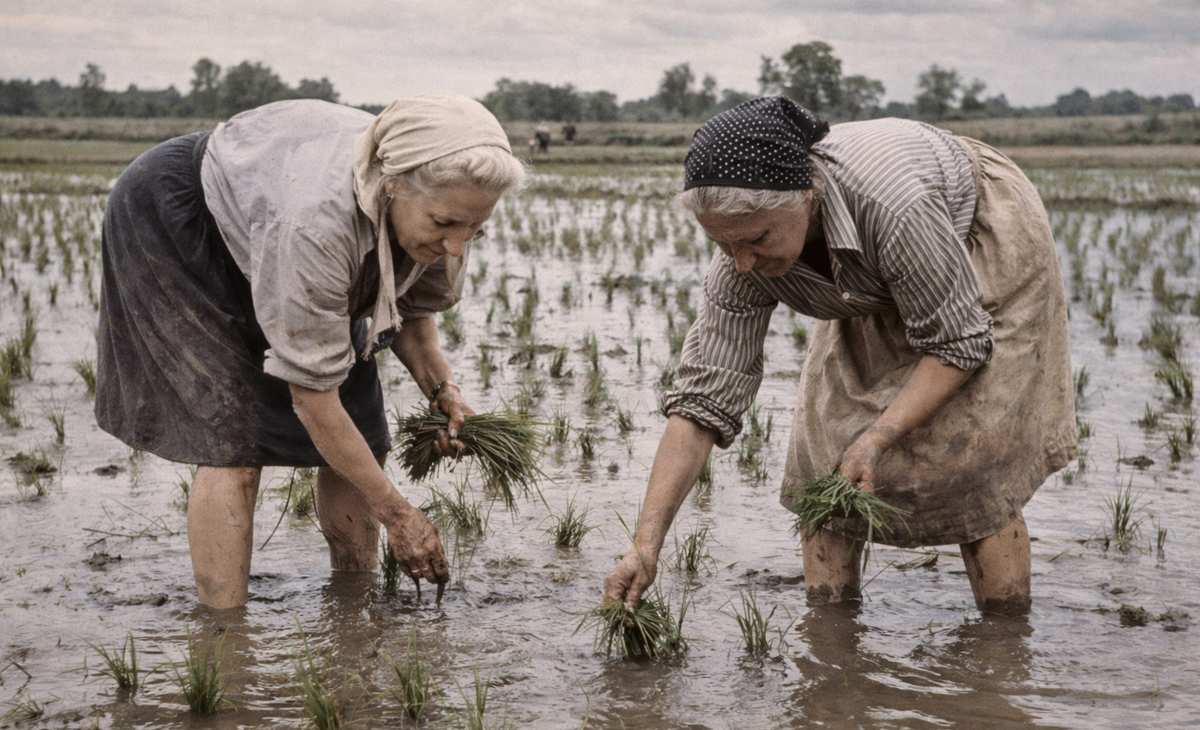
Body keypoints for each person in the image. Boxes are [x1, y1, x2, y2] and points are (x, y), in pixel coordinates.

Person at [604, 97, 1075, 617]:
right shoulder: (741, 258)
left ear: (806, 195)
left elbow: (959, 343)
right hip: (869, 261)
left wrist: (879, 437)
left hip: (974, 232)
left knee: (974, 457)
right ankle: (831, 633)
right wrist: (646, 545)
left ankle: (1003, 641)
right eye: (723, 243)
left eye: (756, 238)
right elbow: (702, 401)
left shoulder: (894, 208)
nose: (742, 262)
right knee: (825, 456)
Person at [96, 93, 525, 608]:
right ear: (390, 187)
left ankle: (353, 597)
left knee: (365, 423)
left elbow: (412, 318)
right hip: (185, 220)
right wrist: (399, 516)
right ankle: (224, 636)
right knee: (233, 437)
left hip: (285, 211)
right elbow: (312, 397)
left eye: (474, 228)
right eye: (443, 225)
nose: (457, 245)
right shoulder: (315, 225)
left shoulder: (446, 204)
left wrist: (445, 392)